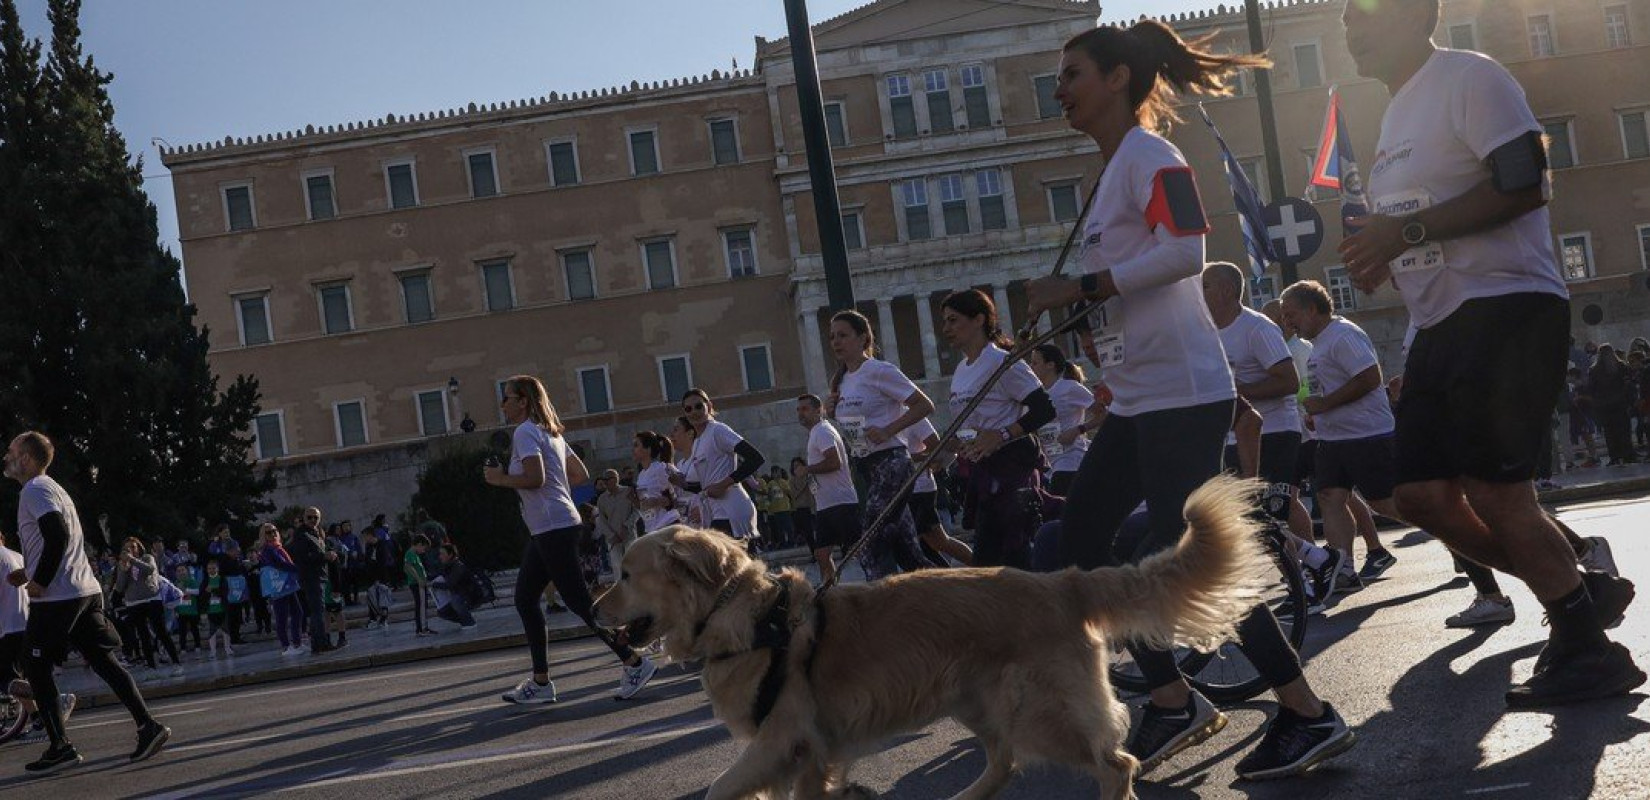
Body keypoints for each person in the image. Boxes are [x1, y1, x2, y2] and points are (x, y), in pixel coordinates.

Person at [1022, 22, 1351, 779]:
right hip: (1140, 399)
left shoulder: (1152, 156)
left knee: (1190, 560)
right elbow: (1133, 288)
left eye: (1072, 74)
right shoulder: (1111, 174)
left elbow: (1187, 251)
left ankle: (1307, 712)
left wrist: (1080, 285)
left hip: (1183, 395)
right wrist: (1085, 315)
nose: (1060, 90)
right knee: (1079, 546)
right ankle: (1173, 700)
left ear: (1116, 79)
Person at [1339, 0, 1640, 705]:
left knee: (1497, 494)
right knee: (1418, 497)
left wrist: (1405, 234)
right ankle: (1581, 587)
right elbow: (1421, 224)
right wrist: (1390, 257)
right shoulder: (1394, 119)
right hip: (1438, 325)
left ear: (1418, 14)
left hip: (1506, 307)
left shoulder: (1470, 77)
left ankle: (1585, 644)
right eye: (1347, 18)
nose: (1353, 28)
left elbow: (1525, 181)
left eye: (1367, 13)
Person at [486, 375, 656, 704]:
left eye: (507, 397)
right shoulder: (550, 432)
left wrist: (500, 479)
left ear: (523, 401)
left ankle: (634, 662)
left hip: (552, 525)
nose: (502, 404)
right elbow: (579, 474)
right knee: (525, 598)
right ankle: (541, 682)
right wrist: (555, 487)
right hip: (551, 525)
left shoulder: (524, 432)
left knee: (578, 601)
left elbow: (535, 478)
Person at [5, 432, 169, 772]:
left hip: (58, 596)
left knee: (34, 665)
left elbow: (57, 535)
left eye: (11, 451)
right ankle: (148, 726)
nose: (5, 457)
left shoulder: (34, 489)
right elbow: (55, 541)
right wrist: (28, 571)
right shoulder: (53, 488)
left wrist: (39, 581)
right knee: (103, 660)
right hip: (83, 590)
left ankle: (60, 746)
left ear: (27, 459)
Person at [1278, 281, 1404, 599]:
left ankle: (1451, 533)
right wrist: (1318, 414)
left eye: (1291, 314)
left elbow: (1370, 378)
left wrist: (1327, 404)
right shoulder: (1319, 342)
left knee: (1383, 503)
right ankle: (1344, 569)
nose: (1287, 322)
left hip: (1367, 434)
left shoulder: (1342, 335)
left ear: (1312, 309)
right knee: (1330, 497)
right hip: (1333, 438)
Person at [941, 290, 1055, 569]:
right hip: (984, 472)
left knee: (1009, 556)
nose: (946, 329)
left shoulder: (1001, 362)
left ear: (979, 319)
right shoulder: (961, 369)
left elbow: (1044, 409)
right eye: (944, 322)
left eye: (953, 320)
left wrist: (1001, 435)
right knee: (990, 561)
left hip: (1012, 469)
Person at [825, 309, 934, 577]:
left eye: (843, 335)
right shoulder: (842, 380)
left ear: (863, 338)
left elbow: (924, 405)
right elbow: (856, 426)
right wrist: (832, 412)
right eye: (832, 337)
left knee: (871, 542)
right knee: (908, 551)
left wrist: (888, 430)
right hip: (867, 466)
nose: (836, 342)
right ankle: (947, 590)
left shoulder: (879, 370)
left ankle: (880, 595)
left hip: (891, 463)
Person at [672, 388, 765, 546]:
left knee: (731, 559)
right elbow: (708, 485)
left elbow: (755, 458)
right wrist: (684, 484)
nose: (694, 412)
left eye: (698, 406)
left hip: (731, 509)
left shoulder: (718, 430)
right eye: (688, 409)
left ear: (709, 406)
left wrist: (723, 485)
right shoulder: (698, 441)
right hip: (715, 509)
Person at [796, 394, 860, 585]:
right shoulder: (816, 432)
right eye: (798, 410)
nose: (800, 413)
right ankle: (830, 590)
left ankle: (879, 582)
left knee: (860, 549)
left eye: (805, 409)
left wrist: (807, 469)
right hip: (826, 504)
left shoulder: (823, 431)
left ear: (819, 410)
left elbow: (834, 462)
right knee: (822, 553)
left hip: (840, 502)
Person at [898, 417, 973, 567]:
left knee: (914, 544)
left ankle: (982, 568)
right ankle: (978, 568)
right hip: (899, 489)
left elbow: (936, 448)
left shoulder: (913, 416)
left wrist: (904, 458)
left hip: (918, 489)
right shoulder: (878, 417)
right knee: (936, 542)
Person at [1027, 343, 1100, 496]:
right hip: (1050, 467)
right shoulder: (1036, 394)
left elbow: (1104, 414)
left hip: (1070, 461)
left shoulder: (1069, 387)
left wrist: (1077, 430)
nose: (1030, 367)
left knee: (1061, 509)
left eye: (1035, 363)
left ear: (1050, 365)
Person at [115, 536, 185, 677]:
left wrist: (133, 560)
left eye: (133, 547)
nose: (130, 550)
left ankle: (176, 662)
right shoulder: (123, 564)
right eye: (127, 548)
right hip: (134, 602)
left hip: (151, 599)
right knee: (143, 635)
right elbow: (120, 587)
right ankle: (151, 667)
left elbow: (150, 570)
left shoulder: (147, 558)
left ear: (139, 547)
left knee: (161, 631)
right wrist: (123, 569)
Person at [288, 508, 336, 654]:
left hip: (319, 575)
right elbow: (302, 557)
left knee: (318, 611)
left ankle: (317, 644)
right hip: (311, 577)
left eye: (315, 517)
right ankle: (321, 643)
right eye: (309, 517)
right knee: (317, 611)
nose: (313, 520)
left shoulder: (316, 532)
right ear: (304, 518)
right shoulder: (302, 534)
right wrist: (323, 556)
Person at [258, 524, 305, 656]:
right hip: (278, 585)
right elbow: (280, 564)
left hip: (286, 584)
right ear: (263, 536)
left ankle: (297, 643)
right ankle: (286, 646)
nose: (273, 534)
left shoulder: (277, 547)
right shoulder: (268, 549)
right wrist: (298, 568)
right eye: (268, 532)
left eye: (274, 531)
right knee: (282, 616)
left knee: (297, 612)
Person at [1587, 344, 1636, 466]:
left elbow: (1591, 389)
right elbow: (1629, 385)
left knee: (1609, 432)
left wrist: (1596, 404)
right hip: (1620, 404)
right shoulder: (1621, 366)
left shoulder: (1594, 370)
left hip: (1604, 406)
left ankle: (1614, 456)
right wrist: (1630, 401)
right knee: (1624, 430)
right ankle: (1628, 455)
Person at [632, 431, 680, 535]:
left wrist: (664, 500)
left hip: (668, 523)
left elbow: (683, 487)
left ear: (648, 449)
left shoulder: (660, 468)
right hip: (652, 528)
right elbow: (644, 503)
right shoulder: (641, 475)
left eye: (636, 445)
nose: (633, 450)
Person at [594, 469, 640, 563]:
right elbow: (601, 520)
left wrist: (627, 525)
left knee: (634, 565)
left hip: (629, 536)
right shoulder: (602, 499)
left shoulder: (628, 491)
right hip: (613, 541)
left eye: (607, 479)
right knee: (618, 568)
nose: (605, 482)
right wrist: (611, 535)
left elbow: (637, 511)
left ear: (615, 479)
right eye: (604, 479)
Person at [432, 543, 478, 629]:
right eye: (440, 554)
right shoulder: (447, 566)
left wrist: (435, 585)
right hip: (457, 595)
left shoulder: (458, 566)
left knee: (456, 600)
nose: (440, 556)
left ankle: (470, 622)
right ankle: (464, 620)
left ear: (450, 555)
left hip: (468, 596)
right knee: (442, 612)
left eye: (442, 554)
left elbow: (450, 584)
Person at [200, 558, 234, 659]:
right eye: (209, 568)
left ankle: (227, 648)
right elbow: (202, 594)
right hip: (211, 610)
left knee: (226, 629)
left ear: (217, 569)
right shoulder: (205, 581)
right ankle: (213, 651)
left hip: (222, 608)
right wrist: (207, 593)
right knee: (212, 631)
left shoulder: (222, 579)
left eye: (213, 568)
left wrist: (213, 590)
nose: (211, 570)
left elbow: (224, 592)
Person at [404, 535, 434, 637]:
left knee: (423, 605)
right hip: (417, 584)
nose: (424, 551)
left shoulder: (415, 555)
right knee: (421, 606)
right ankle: (421, 629)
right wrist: (419, 579)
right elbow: (408, 567)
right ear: (419, 544)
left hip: (420, 584)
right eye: (424, 548)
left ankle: (424, 627)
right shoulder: (410, 553)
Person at [172, 563, 202, 656]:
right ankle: (183, 648)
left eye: (183, 570)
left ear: (187, 571)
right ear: (176, 573)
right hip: (181, 611)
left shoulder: (192, 581)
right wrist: (175, 610)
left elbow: (197, 591)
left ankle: (198, 646)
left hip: (192, 610)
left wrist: (186, 590)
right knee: (182, 631)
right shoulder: (175, 583)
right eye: (179, 571)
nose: (181, 572)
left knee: (194, 629)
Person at [785, 458, 815, 551]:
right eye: (795, 466)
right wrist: (804, 484)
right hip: (800, 509)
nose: (797, 468)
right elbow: (794, 495)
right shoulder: (792, 480)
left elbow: (815, 490)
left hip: (811, 507)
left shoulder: (808, 477)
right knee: (807, 532)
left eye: (799, 465)